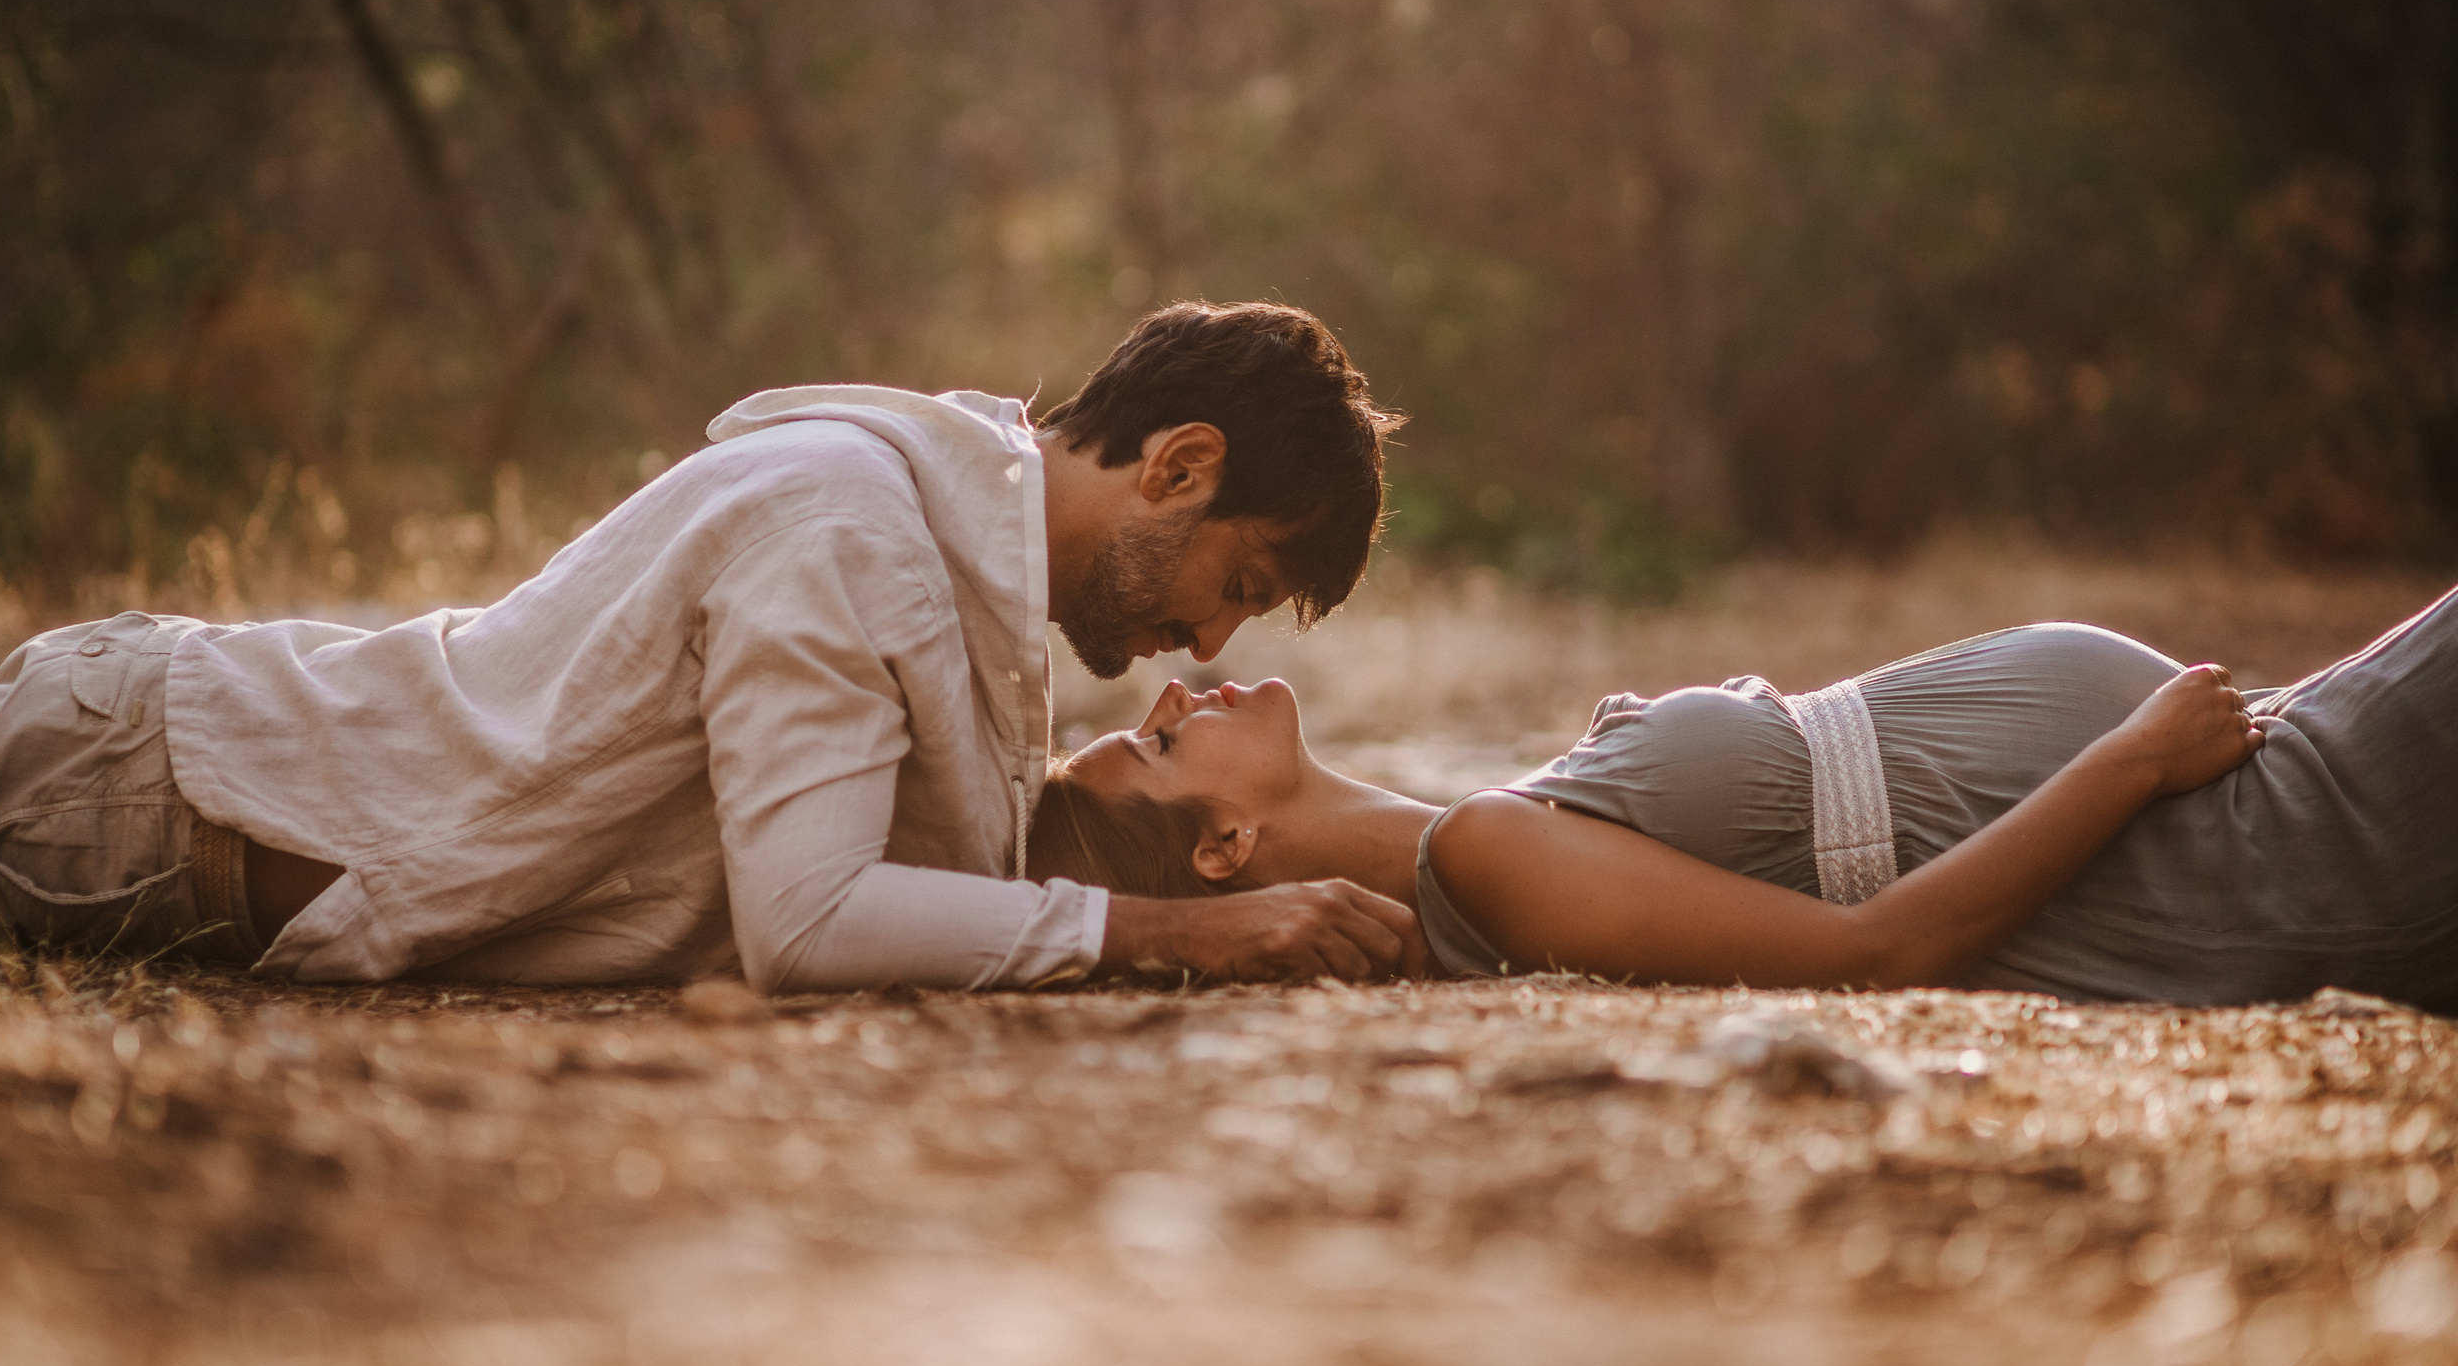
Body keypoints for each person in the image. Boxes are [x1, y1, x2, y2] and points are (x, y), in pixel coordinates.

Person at [0, 301, 1423, 992]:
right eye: (1240, 579)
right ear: (1176, 465)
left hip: (184, 817)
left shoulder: (959, 579)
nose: (1205, 641)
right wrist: (1183, 937)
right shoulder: (847, 532)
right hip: (141, 792)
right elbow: (810, 920)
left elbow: (937, 861)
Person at [1033, 588, 2458, 1010]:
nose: (1172, 697)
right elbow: (1876, 955)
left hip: (2255, 783)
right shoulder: (1486, 861)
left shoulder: (1492, 826)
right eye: (1154, 748)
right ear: (1227, 848)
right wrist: (2133, 757)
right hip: (2260, 845)